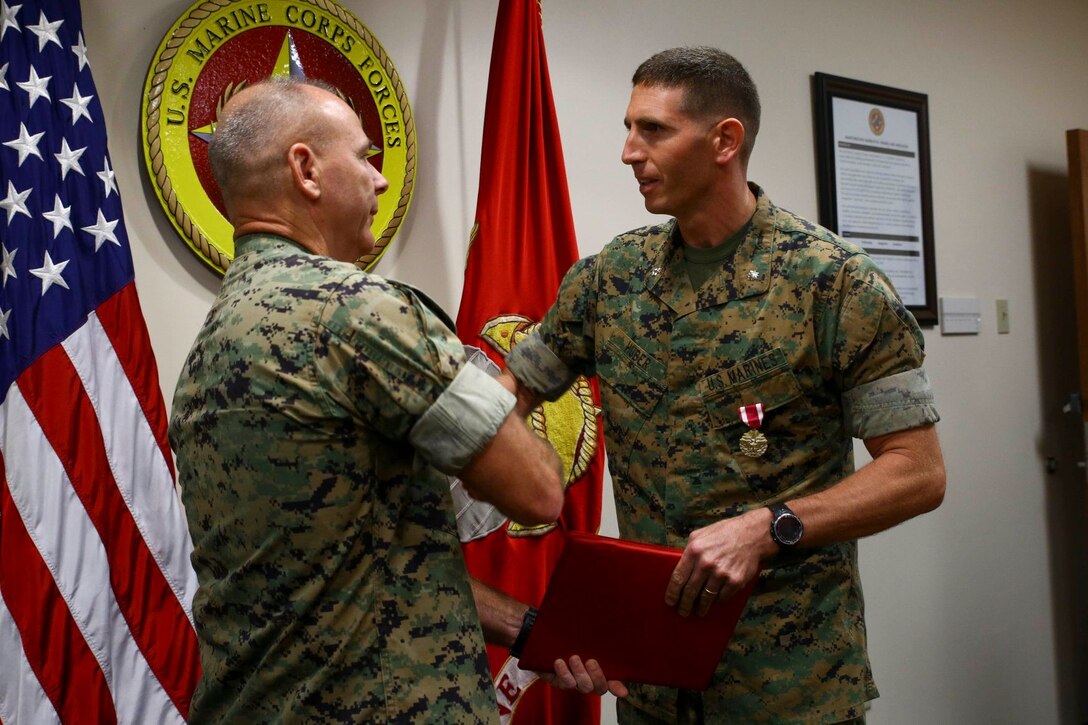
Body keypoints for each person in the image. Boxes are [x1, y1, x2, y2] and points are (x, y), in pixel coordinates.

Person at [503, 46, 947, 723]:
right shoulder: (611, 277)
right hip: (651, 682)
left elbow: (918, 471)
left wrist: (771, 527)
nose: (628, 151)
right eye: (629, 127)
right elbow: (511, 395)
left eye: (652, 130)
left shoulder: (832, 283)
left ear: (724, 140)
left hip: (789, 688)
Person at [169, 77, 566, 723]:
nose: (379, 181)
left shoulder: (211, 347)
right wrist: (529, 374)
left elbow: (354, 561)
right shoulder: (357, 312)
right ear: (306, 168)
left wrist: (528, 627)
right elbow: (537, 492)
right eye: (362, 156)